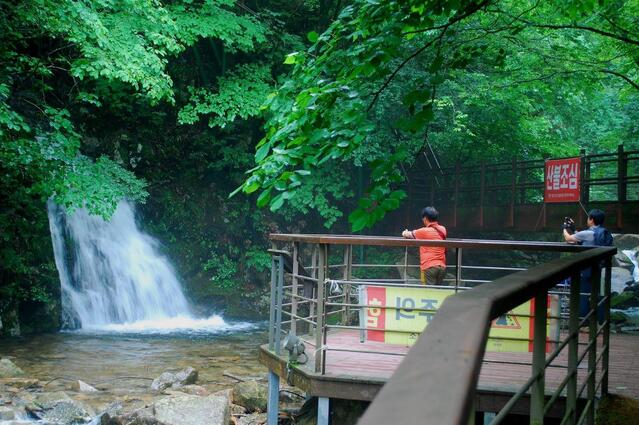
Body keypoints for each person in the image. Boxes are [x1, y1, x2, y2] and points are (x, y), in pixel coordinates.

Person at [562, 209, 613, 321]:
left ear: (591, 219)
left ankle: (583, 322)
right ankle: (598, 320)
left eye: (588, 218)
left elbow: (568, 238)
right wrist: (573, 228)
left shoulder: (588, 233)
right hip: (598, 269)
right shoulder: (603, 233)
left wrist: (564, 228)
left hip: (586, 270)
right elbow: (580, 237)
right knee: (596, 294)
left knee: (583, 295)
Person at [402, 206, 447, 285]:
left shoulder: (423, 231)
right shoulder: (443, 229)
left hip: (429, 267)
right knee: (438, 292)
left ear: (425, 218)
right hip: (442, 267)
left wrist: (405, 232)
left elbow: (407, 234)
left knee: (428, 293)